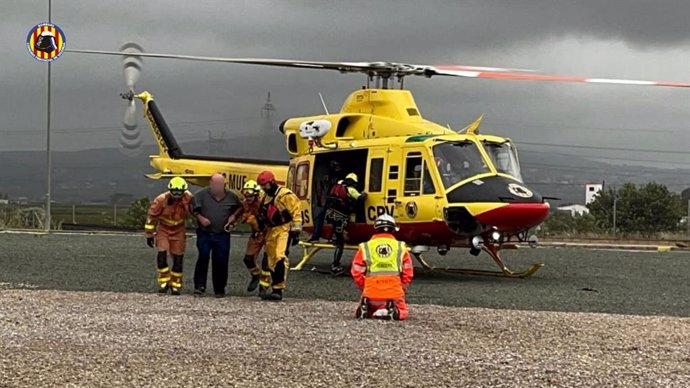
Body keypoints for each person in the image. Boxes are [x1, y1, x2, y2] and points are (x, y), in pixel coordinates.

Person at [350, 214, 414, 320]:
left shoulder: (366, 246)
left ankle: (367, 307)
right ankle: (393, 311)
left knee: (371, 303)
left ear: (376, 229)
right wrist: (402, 287)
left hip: (371, 293)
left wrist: (364, 287)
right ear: (393, 229)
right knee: (403, 311)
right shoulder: (400, 247)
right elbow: (408, 272)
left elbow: (356, 271)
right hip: (394, 293)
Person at [191, 173, 243, 298]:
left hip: (222, 234)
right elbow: (192, 208)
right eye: (216, 185)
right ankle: (199, 286)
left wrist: (233, 216)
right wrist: (200, 218)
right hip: (205, 233)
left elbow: (241, 207)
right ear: (211, 184)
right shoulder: (200, 195)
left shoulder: (232, 196)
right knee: (203, 257)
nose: (218, 187)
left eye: (220, 185)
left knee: (221, 260)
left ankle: (219, 288)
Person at [256, 170, 302, 301]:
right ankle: (270, 287)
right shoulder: (264, 197)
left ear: (272, 182)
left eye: (265, 185)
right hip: (271, 230)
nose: (263, 188)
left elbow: (296, 212)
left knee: (279, 257)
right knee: (270, 260)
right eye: (262, 186)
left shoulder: (285, 195)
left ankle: (278, 289)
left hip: (284, 229)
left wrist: (296, 231)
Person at [145, 176, 193, 295]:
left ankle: (176, 284)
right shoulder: (161, 200)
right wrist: (149, 234)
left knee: (178, 258)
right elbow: (152, 217)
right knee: (162, 255)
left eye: (179, 192)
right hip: (164, 229)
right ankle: (164, 281)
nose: (176, 195)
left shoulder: (188, 199)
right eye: (174, 192)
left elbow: (195, 212)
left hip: (179, 230)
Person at [324, 173, 366, 276]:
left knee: (337, 238)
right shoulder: (350, 189)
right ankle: (335, 265)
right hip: (341, 217)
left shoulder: (336, 187)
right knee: (340, 243)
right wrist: (365, 193)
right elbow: (360, 198)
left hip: (331, 215)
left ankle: (335, 262)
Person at [238, 179, 266, 292]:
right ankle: (256, 275)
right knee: (248, 259)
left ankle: (264, 287)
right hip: (256, 233)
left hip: (268, 233)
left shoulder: (263, 202)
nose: (248, 198)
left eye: (250, 196)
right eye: (246, 195)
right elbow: (239, 212)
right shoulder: (245, 204)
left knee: (268, 261)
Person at [308, 160, 344, 242]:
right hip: (330, 199)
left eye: (337, 166)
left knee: (334, 218)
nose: (336, 168)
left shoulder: (340, 176)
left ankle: (333, 236)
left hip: (336, 200)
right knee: (321, 216)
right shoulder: (332, 175)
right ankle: (316, 236)